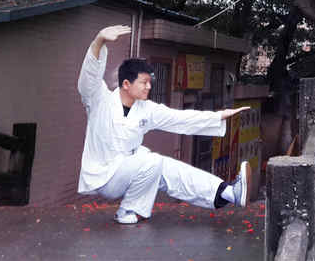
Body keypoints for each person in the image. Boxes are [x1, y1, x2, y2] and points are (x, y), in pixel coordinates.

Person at [77, 24, 250, 224]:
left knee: (168, 168)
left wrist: (218, 116)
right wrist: (99, 41)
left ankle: (227, 193)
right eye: (144, 82)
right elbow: (88, 78)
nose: (149, 87)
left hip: (130, 170)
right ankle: (128, 211)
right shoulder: (99, 100)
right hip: (104, 177)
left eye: (150, 82)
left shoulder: (146, 109)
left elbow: (180, 119)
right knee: (152, 161)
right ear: (126, 84)